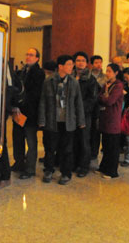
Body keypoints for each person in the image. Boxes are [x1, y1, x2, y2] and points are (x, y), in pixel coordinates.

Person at [38, 55, 85, 185]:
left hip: (68, 121)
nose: (72, 67)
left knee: (67, 149)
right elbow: (43, 101)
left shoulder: (73, 82)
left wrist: (81, 121)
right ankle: (48, 170)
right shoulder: (49, 81)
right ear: (60, 66)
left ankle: (66, 173)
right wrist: (41, 120)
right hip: (52, 121)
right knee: (50, 148)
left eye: (71, 64)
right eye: (69, 64)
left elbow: (78, 103)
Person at [11, 48, 45, 179]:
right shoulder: (21, 72)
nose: (28, 57)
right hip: (18, 113)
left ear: (37, 58)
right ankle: (18, 162)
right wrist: (15, 105)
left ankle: (30, 169)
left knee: (31, 142)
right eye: (27, 54)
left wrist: (21, 105)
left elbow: (34, 94)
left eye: (31, 55)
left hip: (30, 113)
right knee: (17, 139)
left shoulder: (39, 73)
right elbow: (16, 89)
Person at [73, 51, 98, 177]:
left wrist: (81, 109)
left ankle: (84, 166)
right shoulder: (70, 76)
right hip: (70, 114)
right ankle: (73, 163)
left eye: (83, 60)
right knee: (72, 139)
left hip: (84, 114)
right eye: (78, 60)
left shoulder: (90, 79)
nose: (80, 63)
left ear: (86, 63)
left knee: (84, 140)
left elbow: (92, 99)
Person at [97, 63, 124, 179]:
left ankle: (112, 171)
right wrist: (103, 97)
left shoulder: (118, 85)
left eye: (109, 71)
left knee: (113, 146)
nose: (107, 73)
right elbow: (99, 97)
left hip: (113, 119)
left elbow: (110, 101)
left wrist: (104, 97)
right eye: (106, 71)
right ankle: (103, 167)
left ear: (116, 73)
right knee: (106, 145)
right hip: (104, 117)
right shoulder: (106, 84)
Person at [90, 55, 106, 160]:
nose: (98, 64)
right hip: (88, 106)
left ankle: (94, 152)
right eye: (96, 62)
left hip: (100, 107)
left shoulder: (105, 76)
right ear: (91, 64)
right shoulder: (87, 75)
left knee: (97, 131)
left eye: (100, 62)